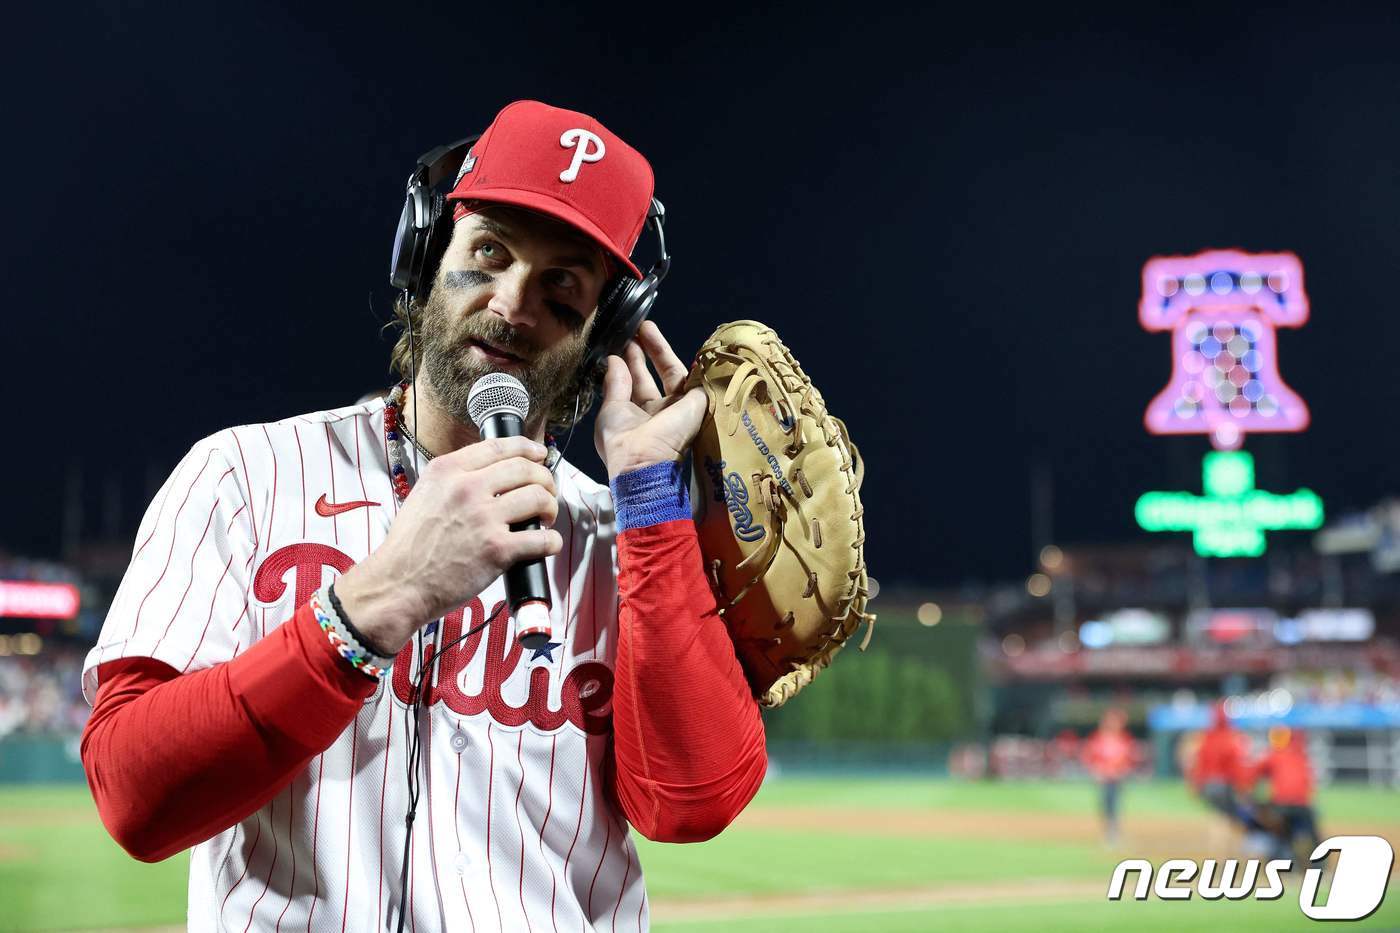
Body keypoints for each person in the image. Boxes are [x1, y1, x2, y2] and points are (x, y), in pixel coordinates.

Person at [79, 99, 768, 931]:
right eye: (490, 253)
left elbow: (689, 805)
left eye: (562, 286)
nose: (512, 305)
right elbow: (135, 797)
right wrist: (373, 605)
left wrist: (651, 500)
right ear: (426, 252)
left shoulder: (621, 539)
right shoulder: (243, 476)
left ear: (602, 329)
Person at [1244, 726, 1321, 861]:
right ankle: (1319, 865)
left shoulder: (1273, 755)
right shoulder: (1301, 756)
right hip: (1303, 806)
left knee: (1277, 831)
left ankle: (1280, 859)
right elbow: (1310, 784)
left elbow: (1252, 774)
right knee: (1312, 835)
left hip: (1281, 805)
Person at [1081, 707, 1137, 845]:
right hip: (1104, 777)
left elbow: (1129, 758)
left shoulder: (1124, 738)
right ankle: (1109, 831)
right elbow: (1089, 756)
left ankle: (1114, 831)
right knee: (1106, 804)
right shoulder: (1098, 737)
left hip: (1117, 778)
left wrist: (1122, 771)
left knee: (1115, 803)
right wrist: (1097, 770)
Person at [1188, 700, 1250, 824]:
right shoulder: (1232, 738)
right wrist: (1243, 786)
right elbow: (1237, 766)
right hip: (1224, 787)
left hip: (1208, 786)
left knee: (1216, 816)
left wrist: (1195, 784)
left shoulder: (1206, 738)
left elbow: (1198, 764)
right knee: (1233, 817)